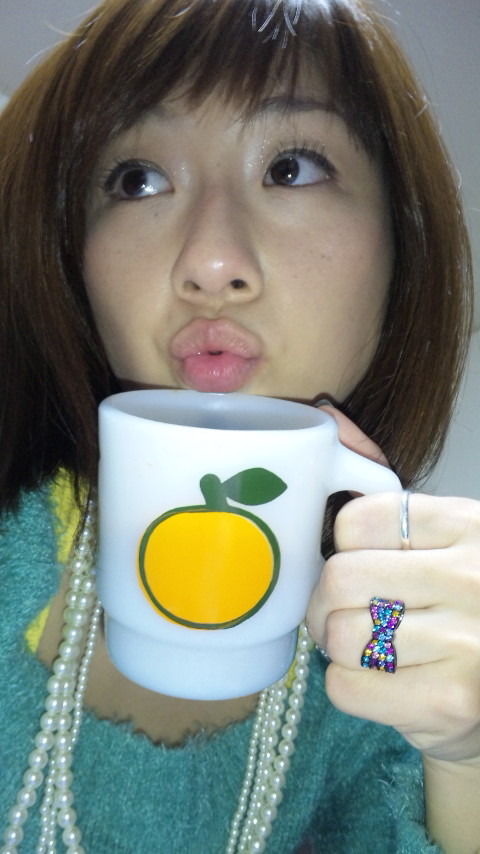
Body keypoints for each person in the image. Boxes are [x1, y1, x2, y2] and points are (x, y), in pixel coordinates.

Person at [0, 0, 477, 851]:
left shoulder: (383, 639)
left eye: (292, 167)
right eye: (136, 179)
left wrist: (465, 753)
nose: (211, 263)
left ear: (403, 240)